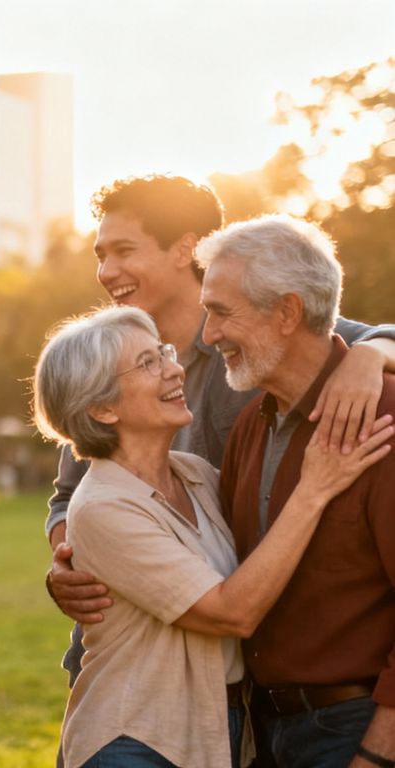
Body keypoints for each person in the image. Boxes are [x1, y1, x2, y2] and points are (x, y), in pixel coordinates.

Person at [45, 176, 395, 686]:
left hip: (231, 668)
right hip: (129, 665)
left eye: (123, 251)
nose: (106, 271)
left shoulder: (261, 335)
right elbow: (68, 499)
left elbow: (325, 331)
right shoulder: (103, 365)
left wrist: (372, 354)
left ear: (186, 247)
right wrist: (71, 565)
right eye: (100, 255)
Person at [32, 306, 391, 766]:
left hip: (218, 730)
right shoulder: (103, 506)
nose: (174, 369)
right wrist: (316, 486)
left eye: (163, 353)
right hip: (136, 738)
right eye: (148, 363)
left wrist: (372, 352)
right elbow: (231, 613)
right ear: (102, 408)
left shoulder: (198, 476)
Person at [197, 216, 395, 767]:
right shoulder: (250, 427)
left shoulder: (385, 419)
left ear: (286, 311)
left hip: (356, 733)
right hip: (266, 733)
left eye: (220, 312)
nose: (209, 335)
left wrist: (377, 757)